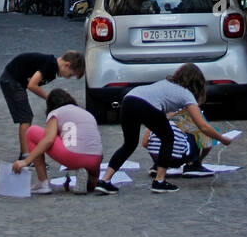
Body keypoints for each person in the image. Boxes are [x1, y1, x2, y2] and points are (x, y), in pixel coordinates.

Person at [95, 64, 233, 195]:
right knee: (168, 137)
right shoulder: (186, 94)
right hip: (144, 104)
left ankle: (105, 180)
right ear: (197, 83)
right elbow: (203, 126)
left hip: (129, 99)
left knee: (129, 144)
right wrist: (222, 139)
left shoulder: (165, 84)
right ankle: (159, 181)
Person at [11, 88, 103, 195]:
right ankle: (86, 181)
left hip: (74, 156)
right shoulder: (86, 113)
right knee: (92, 185)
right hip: (96, 158)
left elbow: (49, 139)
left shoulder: (55, 113)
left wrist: (26, 161)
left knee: (32, 132)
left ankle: (43, 183)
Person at [0, 49, 85, 158]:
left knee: (26, 117)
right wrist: (49, 99)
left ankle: (26, 154)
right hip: (11, 79)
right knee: (25, 118)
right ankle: (26, 156)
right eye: (70, 75)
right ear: (67, 65)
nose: (68, 77)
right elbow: (32, 85)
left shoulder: (52, 67)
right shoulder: (50, 65)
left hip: (15, 80)